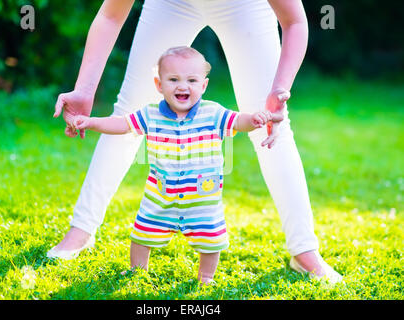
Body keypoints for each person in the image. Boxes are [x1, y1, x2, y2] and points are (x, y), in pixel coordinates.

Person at [49, 0, 343, 283]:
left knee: (270, 123)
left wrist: (279, 90)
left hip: (244, 5)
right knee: (129, 112)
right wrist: (84, 89)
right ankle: (81, 230)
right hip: (171, 4)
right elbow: (111, 15)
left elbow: (294, 21)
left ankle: (304, 249)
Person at [68, 46, 284, 284]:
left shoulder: (213, 113)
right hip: (160, 194)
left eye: (192, 80)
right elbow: (121, 124)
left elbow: (238, 121)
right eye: (173, 79)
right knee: (142, 233)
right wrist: (90, 122)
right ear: (159, 85)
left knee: (210, 239)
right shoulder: (150, 114)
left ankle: (206, 276)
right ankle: (137, 269)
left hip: (203, 196)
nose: (183, 86)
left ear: (203, 85)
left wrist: (254, 120)